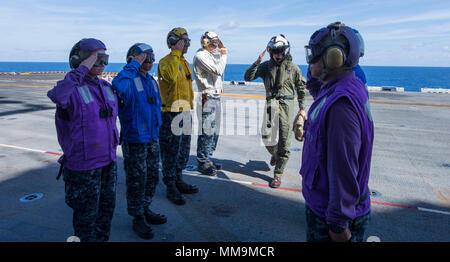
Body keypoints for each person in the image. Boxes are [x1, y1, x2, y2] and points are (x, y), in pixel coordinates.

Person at [301, 22, 374, 242]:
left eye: (314, 55)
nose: (309, 60)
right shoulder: (337, 87)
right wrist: (317, 71)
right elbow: (317, 90)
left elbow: (343, 167)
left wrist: (338, 223)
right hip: (322, 203)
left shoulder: (342, 105)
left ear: (333, 58)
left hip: (328, 218)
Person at [47, 38, 119, 242]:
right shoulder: (70, 89)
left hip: (108, 162)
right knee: (85, 219)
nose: (103, 64)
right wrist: (81, 69)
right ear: (81, 61)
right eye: (97, 59)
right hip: (83, 167)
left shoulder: (106, 87)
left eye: (105, 59)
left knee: (106, 212)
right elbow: (58, 95)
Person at [111, 43, 166, 240]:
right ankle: (137, 216)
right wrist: (134, 64)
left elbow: (155, 107)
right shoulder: (127, 78)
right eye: (146, 57)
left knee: (152, 176)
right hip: (135, 139)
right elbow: (120, 87)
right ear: (135, 58)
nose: (150, 61)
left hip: (151, 138)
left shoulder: (150, 81)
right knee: (136, 180)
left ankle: (145, 208)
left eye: (152, 57)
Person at [244, 34, 307, 188]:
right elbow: (248, 77)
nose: (278, 55)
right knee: (266, 136)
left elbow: (301, 88)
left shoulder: (293, 68)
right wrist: (257, 61)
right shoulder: (266, 66)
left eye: (280, 52)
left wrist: (302, 108)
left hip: (287, 105)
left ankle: (277, 174)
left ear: (285, 51)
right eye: (275, 52)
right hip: (271, 103)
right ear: (271, 52)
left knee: (285, 141)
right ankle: (275, 154)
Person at [158, 27, 199, 205]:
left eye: (188, 42)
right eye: (185, 41)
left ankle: (178, 178)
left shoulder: (184, 62)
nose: (188, 45)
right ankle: (170, 184)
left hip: (185, 111)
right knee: (171, 151)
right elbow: (171, 77)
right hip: (171, 113)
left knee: (183, 149)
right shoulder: (166, 61)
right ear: (175, 42)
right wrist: (175, 52)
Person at [193, 31, 227, 176]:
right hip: (207, 96)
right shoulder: (200, 56)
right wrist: (224, 54)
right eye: (213, 44)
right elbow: (218, 70)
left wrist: (220, 50)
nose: (215, 46)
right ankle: (202, 161)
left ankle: (208, 157)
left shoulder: (211, 56)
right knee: (207, 130)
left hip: (215, 96)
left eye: (216, 44)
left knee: (214, 131)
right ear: (205, 43)